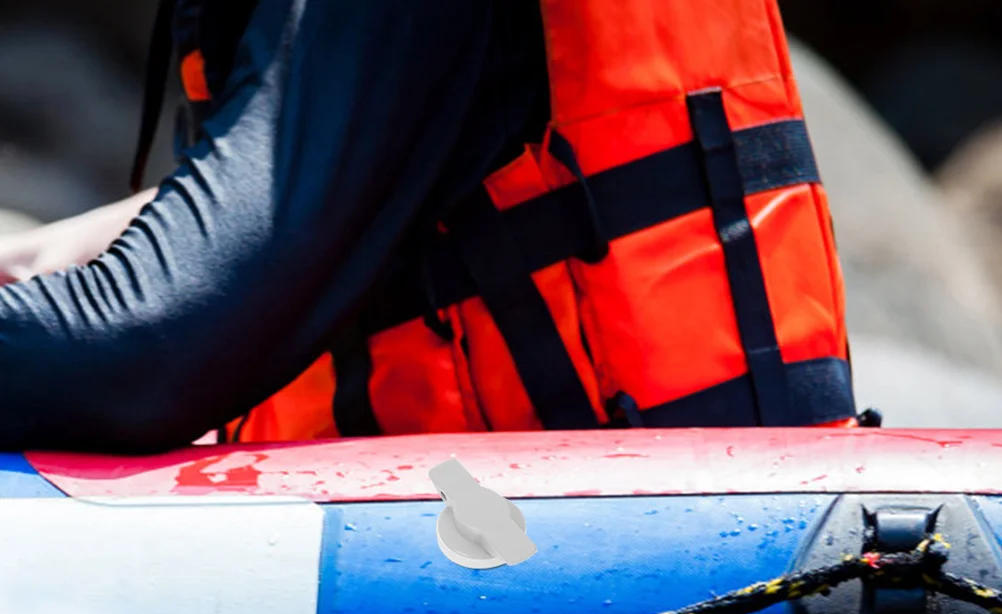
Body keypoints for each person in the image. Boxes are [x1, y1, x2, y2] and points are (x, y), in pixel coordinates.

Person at [0, 0, 857, 454]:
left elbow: (144, 355)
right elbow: (431, 162)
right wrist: (101, 239)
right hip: (541, 528)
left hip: (611, 573)